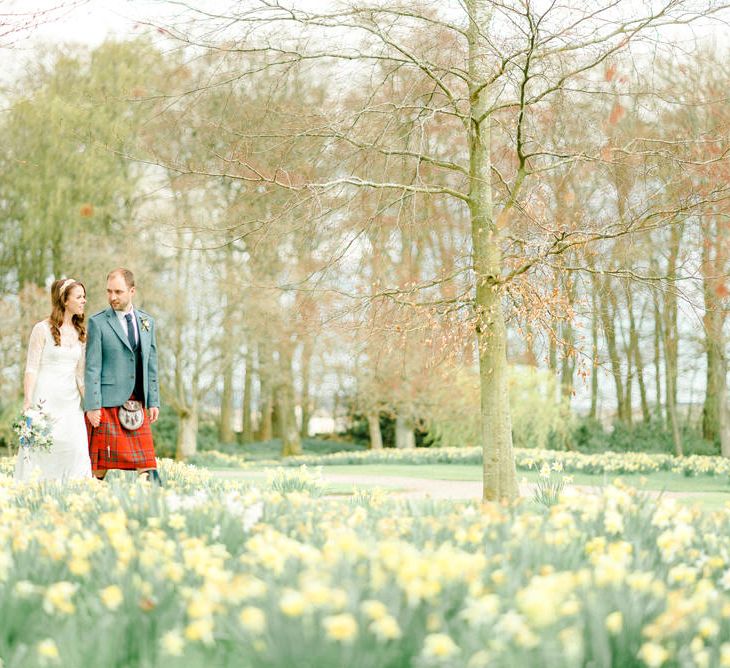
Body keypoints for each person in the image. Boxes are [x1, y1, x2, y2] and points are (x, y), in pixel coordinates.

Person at [84, 268, 162, 484]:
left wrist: (153, 400)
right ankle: (87, 502)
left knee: (147, 463)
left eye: (118, 291)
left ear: (132, 291)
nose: (112, 297)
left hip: (137, 402)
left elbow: (151, 363)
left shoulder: (147, 322)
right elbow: (92, 368)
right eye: (109, 291)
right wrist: (92, 405)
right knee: (100, 467)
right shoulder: (98, 322)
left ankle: (156, 505)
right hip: (107, 404)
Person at [14, 278, 93, 481]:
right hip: (45, 399)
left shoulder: (81, 333)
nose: (84, 300)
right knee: (41, 449)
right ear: (65, 301)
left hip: (71, 402)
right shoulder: (41, 329)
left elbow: (80, 376)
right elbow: (31, 368)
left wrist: (91, 405)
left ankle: (75, 494)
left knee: (76, 448)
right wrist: (28, 401)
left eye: (84, 296)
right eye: (79, 297)